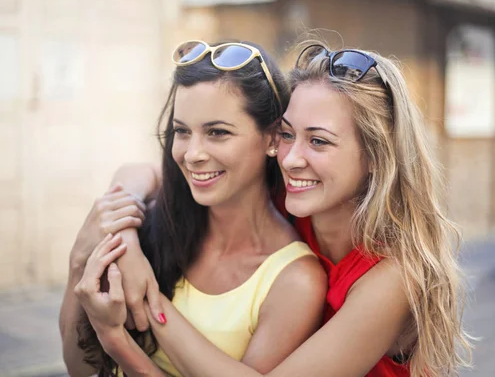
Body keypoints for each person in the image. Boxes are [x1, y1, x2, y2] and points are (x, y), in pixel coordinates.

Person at [75, 40, 472, 376]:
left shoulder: (393, 276)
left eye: (318, 141)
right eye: (286, 134)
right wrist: (125, 238)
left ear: (375, 157)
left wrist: (139, 312)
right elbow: (140, 173)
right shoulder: (297, 200)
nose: (291, 158)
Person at [59, 40, 327, 376]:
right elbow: (79, 368)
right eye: (182, 132)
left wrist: (116, 339)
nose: (192, 154)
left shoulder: (295, 279)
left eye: (217, 132)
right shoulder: (156, 223)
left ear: (273, 138)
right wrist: (84, 261)